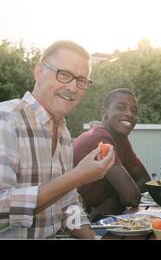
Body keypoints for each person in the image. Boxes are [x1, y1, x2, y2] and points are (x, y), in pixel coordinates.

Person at [0, 40, 114, 239]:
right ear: (38, 72)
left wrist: (93, 239)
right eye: (64, 75)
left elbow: (68, 206)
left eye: (81, 80)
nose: (72, 87)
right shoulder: (6, 120)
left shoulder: (63, 132)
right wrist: (77, 177)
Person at [73, 88, 151, 222]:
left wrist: (112, 203)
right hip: (76, 221)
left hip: (97, 215)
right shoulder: (98, 138)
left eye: (134, 111)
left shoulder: (120, 138)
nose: (129, 114)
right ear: (104, 112)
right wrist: (119, 199)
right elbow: (132, 197)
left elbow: (144, 179)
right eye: (121, 108)